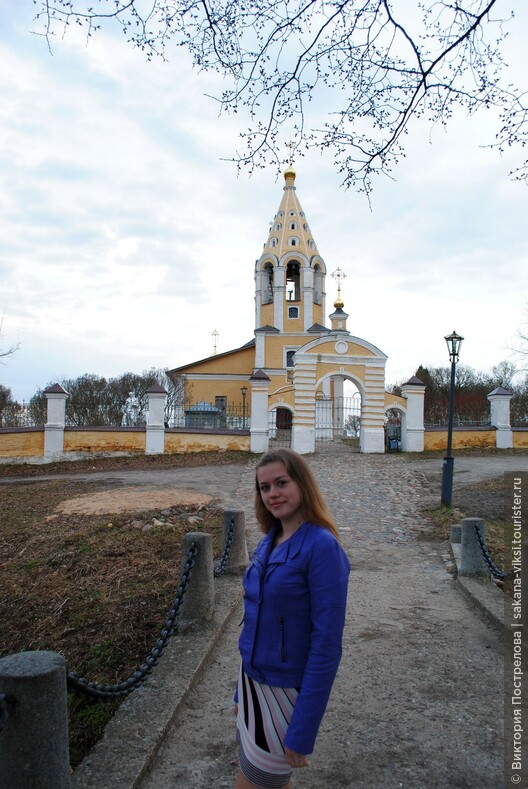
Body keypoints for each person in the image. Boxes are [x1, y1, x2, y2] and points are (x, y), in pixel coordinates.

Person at [234, 448, 350, 789]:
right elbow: (256, 622)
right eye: (264, 487)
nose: (272, 494)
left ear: (302, 484)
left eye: (281, 483)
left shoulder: (323, 548)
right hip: (253, 683)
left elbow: (327, 646)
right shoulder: (268, 542)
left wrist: (303, 729)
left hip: (286, 693)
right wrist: (240, 695)